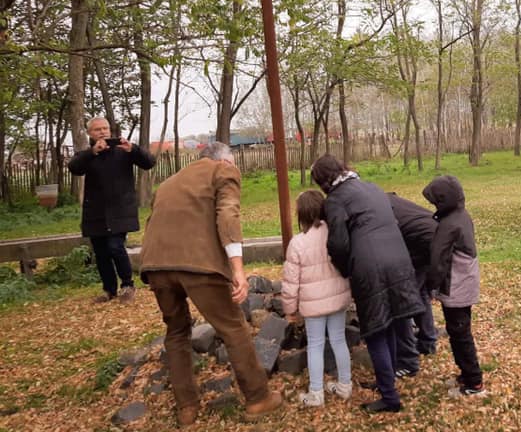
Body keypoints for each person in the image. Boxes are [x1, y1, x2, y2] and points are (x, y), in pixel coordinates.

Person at [139, 142, 282, 426]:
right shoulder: (223, 172)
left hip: (155, 266)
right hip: (197, 266)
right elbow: (228, 215)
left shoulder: (169, 183)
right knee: (232, 328)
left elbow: (154, 222)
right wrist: (238, 269)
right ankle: (258, 398)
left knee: (177, 332)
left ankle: (187, 409)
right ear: (225, 161)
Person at [311, 155, 423, 414]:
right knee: (392, 323)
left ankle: (390, 398)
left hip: (370, 269)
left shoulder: (336, 200)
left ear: (324, 181)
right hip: (399, 260)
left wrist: (346, 269)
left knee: (375, 332)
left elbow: (338, 244)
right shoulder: (371, 187)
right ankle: (388, 380)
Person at [67, 117, 155, 305]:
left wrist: (134, 149)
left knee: (116, 247)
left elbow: (149, 162)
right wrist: (92, 152)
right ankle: (109, 289)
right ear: (90, 133)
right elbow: (74, 168)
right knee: (101, 252)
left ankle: (128, 285)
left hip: (120, 210)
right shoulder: (87, 155)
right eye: (97, 129)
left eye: (105, 128)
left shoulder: (124, 150)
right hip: (96, 212)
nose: (103, 132)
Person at [281, 190, 353, 407]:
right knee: (339, 340)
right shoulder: (337, 233)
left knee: (315, 345)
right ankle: (345, 385)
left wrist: (289, 309)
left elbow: (290, 282)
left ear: (301, 213)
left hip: (313, 305)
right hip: (338, 299)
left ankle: (316, 393)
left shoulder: (297, 243)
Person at [422, 175, 487, 399]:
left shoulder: (448, 226)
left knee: (460, 334)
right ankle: (466, 374)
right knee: (459, 331)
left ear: (443, 201)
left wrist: (430, 287)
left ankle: (474, 382)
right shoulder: (461, 216)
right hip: (465, 285)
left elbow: (437, 261)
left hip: (457, 288)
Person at [388, 193, 439, 378]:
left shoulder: (384, 210)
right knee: (421, 293)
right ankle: (428, 340)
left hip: (424, 245)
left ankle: (407, 359)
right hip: (432, 243)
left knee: (403, 301)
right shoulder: (393, 201)